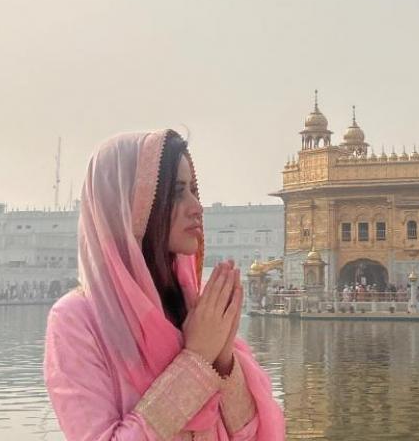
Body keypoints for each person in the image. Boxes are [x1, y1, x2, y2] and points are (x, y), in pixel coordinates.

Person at [43, 130, 284, 440]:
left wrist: (222, 360)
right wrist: (196, 359)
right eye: (177, 192)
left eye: (194, 190)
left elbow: (249, 434)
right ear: (131, 204)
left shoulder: (188, 306)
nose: (197, 206)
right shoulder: (79, 321)